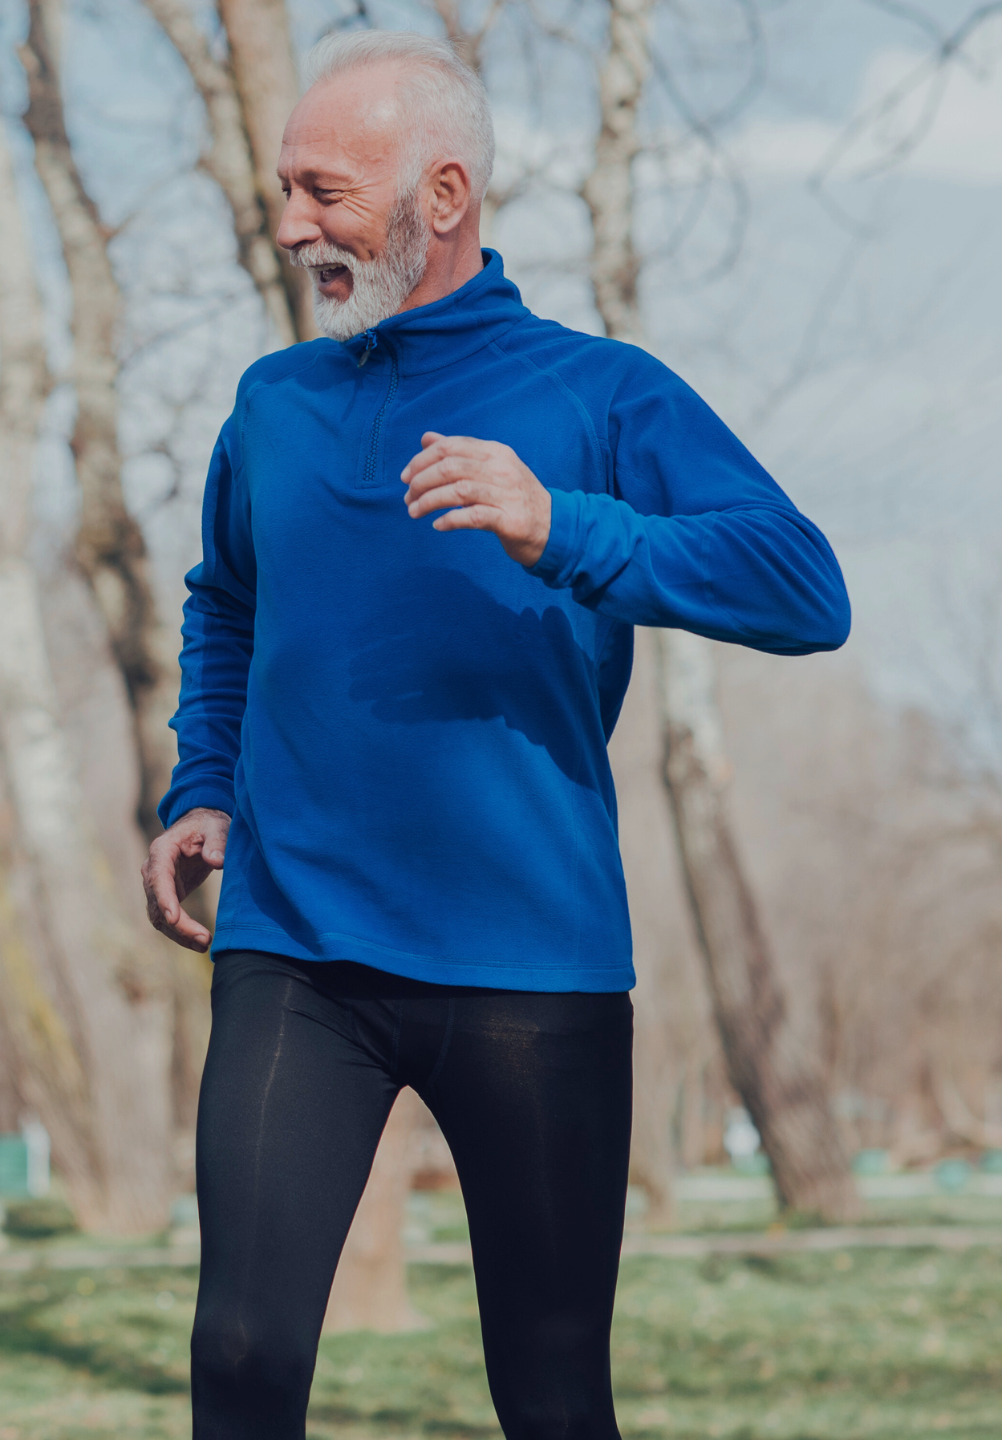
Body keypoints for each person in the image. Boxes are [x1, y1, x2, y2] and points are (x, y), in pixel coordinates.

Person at [139, 30, 849, 1440]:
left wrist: (562, 525)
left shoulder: (600, 393)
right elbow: (224, 604)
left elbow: (803, 587)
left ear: (442, 196)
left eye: (325, 192)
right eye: (285, 190)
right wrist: (204, 783)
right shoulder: (272, 405)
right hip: (295, 950)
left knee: (547, 1390)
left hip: (531, 965)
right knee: (240, 1356)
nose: (291, 226)